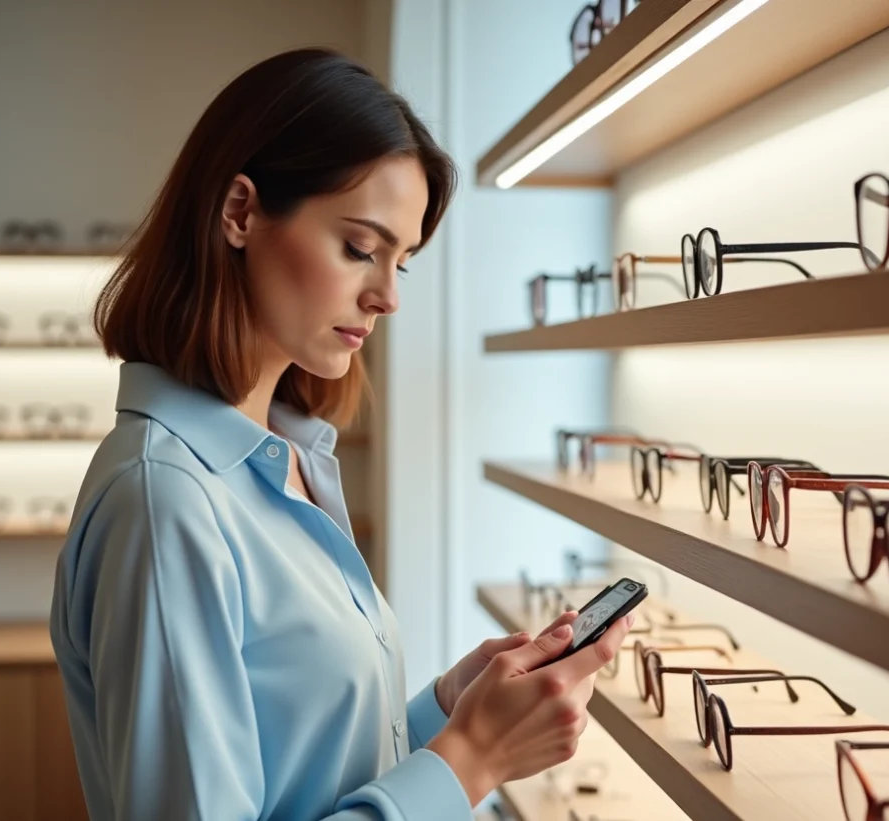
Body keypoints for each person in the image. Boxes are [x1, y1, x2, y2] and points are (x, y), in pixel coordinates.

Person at [48, 47, 632, 821]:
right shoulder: (169, 502)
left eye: (404, 262)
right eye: (360, 247)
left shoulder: (284, 456)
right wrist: (472, 760)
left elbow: (303, 771)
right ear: (239, 213)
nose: (387, 295)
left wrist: (447, 712)